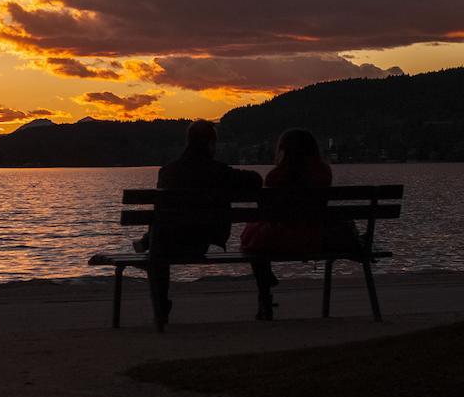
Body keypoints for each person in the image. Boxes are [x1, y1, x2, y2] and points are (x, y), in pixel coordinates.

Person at [135, 120, 263, 328]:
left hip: (167, 243)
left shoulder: (167, 172)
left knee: (159, 242)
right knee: (162, 236)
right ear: (211, 144)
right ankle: (149, 241)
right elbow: (255, 180)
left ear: (188, 142)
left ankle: (160, 306)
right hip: (200, 241)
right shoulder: (220, 172)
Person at [240, 129, 351, 320]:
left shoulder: (275, 176)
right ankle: (266, 289)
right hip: (314, 238)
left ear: (283, 150)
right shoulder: (323, 172)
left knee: (250, 237)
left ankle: (264, 292)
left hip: (279, 240)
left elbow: (269, 214)